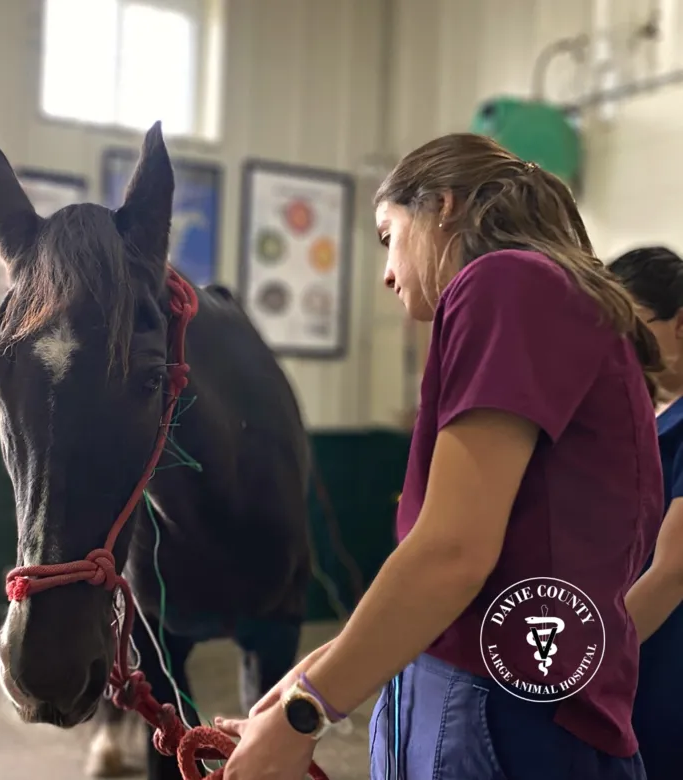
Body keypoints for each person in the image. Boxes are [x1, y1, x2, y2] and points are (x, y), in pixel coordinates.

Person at [214, 134, 664, 780]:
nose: (387, 272)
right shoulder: (543, 293)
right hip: (486, 689)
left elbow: (452, 553)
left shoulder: (506, 280)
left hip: (498, 709)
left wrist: (305, 715)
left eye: (386, 235)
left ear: (444, 206)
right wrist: (299, 688)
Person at [609, 246, 683, 780]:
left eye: (633, 326)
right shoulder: (652, 415)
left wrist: (584, 665)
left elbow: (672, 572)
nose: (621, 346)